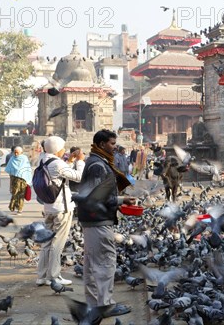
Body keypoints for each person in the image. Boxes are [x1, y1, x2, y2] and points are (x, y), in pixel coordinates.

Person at [76, 129, 135, 318]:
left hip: (93, 221)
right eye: (111, 143)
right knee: (105, 264)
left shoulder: (97, 162)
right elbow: (94, 198)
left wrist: (121, 200)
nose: (114, 146)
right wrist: (118, 201)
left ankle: (95, 305)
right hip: (98, 221)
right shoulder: (98, 166)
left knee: (93, 265)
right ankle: (105, 305)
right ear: (101, 145)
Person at [36, 136, 84, 287]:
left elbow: (59, 172)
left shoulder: (42, 159)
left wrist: (69, 161)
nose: (64, 150)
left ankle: (41, 276)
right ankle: (54, 276)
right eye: (63, 147)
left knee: (47, 242)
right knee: (58, 243)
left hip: (48, 207)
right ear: (58, 149)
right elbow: (78, 176)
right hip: (61, 208)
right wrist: (80, 161)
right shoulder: (57, 163)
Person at [5, 146, 32, 214]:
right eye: (15, 152)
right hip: (13, 178)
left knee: (21, 194)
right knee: (14, 193)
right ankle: (13, 207)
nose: (16, 154)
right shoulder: (12, 158)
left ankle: (20, 209)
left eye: (17, 153)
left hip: (22, 179)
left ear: (21, 152)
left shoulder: (24, 158)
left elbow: (27, 169)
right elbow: (9, 167)